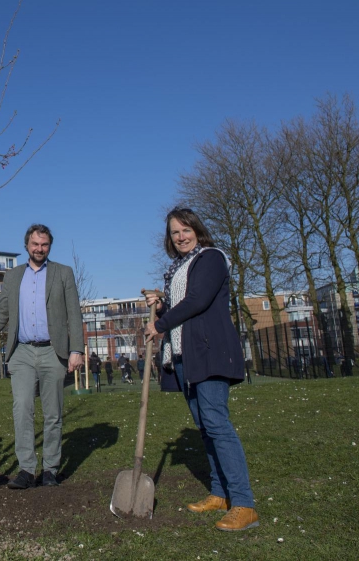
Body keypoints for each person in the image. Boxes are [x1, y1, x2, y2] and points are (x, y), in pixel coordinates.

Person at [144, 207, 258, 532]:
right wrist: (162, 305)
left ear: (197, 230)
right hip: (185, 356)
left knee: (217, 424)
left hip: (208, 352)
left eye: (185, 230)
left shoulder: (211, 258)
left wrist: (160, 324)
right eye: (175, 232)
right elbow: (183, 305)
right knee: (205, 427)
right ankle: (220, 494)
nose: (181, 237)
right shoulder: (179, 267)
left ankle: (244, 504)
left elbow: (197, 300)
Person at [0, 224, 84, 489]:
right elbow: (2, 313)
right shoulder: (13, 277)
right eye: (35, 244)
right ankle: (26, 469)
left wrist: (76, 350)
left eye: (44, 245)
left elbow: (74, 313)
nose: (39, 249)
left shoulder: (63, 273)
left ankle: (50, 470)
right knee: (22, 409)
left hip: (53, 351)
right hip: (21, 352)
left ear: (49, 246)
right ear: (27, 245)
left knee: (53, 413)